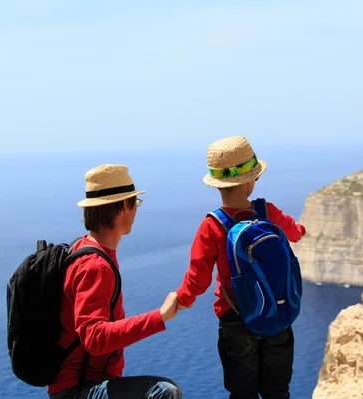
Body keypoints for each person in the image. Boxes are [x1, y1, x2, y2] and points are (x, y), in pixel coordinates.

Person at [175, 136, 306, 399]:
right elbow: (295, 232)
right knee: (277, 390)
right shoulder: (267, 212)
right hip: (277, 314)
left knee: (242, 392)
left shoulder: (211, 226)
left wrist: (181, 299)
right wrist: (301, 229)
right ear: (250, 182)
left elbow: (197, 278)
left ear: (218, 185)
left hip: (235, 320)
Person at [48, 164, 182, 399]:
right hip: (78, 390)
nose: (136, 211)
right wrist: (159, 316)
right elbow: (94, 337)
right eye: (135, 203)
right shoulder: (95, 265)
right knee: (163, 392)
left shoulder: (85, 248)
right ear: (122, 206)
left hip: (77, 385)